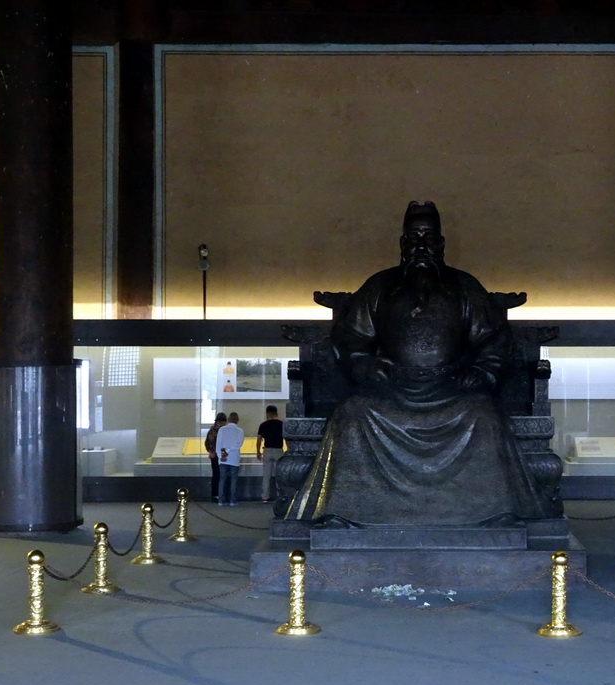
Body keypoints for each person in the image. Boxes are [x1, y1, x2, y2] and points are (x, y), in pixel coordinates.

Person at [285, 200, 557, 525]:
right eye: (413, 237)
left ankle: (493, 513)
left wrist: (482, 371)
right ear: (402, 244)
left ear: (441, 244)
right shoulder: (380, 287)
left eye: (429, 237)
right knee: (352, 415)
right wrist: (365, 364)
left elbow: (493, 339)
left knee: (485, 418)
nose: (421, 246)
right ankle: (344, 513)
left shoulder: (464, 287)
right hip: (391, 390)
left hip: (451, 389)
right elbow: (350, 336)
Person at [256, 405, 284, 502]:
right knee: (279, 475)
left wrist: (258, 451)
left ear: (267, 413)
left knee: (266, 475)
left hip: (267, 451)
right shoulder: (282, 424)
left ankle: (265, 497)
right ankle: (280, 496)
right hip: (278, 451)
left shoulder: (263, 425)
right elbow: (287, 438)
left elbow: (259, 440)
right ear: (276, 413)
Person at [216, 412, 244, 506]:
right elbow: (238, 444)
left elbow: (218, 444)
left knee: (222, 479)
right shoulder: (240, 431)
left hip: (223, 458)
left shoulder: (222, 430)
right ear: (237, 420)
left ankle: (221, 500)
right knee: (234, 480)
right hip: (234, 458)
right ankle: (233, 500)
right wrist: (228, 450)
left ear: (228, 419)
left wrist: (220, 456)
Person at [204, 412, 227, 502]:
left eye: (222, 422)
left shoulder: (215, 430)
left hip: (221, 455)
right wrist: (211, 451)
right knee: (217, 475)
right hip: (217, 455)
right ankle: (215, 494)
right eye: (219, 422)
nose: (221, 424)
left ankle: (220, 494)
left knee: (220, 475)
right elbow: (207, 443)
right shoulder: (214, 431)